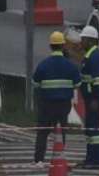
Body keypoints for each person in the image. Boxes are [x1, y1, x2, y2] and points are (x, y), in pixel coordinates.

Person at [32, 32, 82, 164]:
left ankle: (39, 160)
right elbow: (77, 84)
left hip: (46, 104)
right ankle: (59, 159)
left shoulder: (43, 64)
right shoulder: (70, 66)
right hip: (63, 104)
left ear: (50, 46)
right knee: (60, 132)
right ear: (63, 46)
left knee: (42, 132)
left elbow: (35, 83)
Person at [78, 26, 99, 168]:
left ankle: (97, 160)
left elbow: (98, 81)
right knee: (91, 130)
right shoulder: (90, 55)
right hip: (91, 98)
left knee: (94, 131)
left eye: (83, 39)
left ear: (90, 40)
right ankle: (91, 159)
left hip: (94, 98)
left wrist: (96, 99)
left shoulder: (94, 57)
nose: (81, 42)